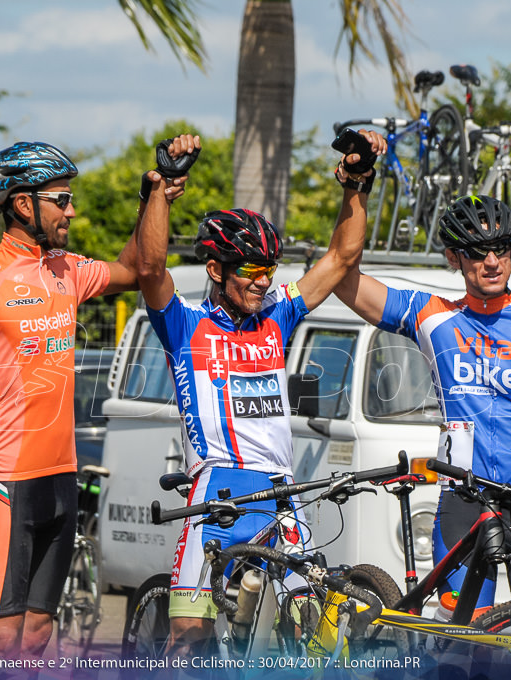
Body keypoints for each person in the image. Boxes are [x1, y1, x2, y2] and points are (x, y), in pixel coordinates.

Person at [135, 131, 386, 655]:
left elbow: (342, 258)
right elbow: (150, 268)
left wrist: (357, 185)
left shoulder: (278, 314)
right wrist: (160, 189)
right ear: (215, 271)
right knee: (189, 635)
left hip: (280, 490)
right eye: (249, 272)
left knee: (309, 628)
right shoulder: (185, 325)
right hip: (216, 490)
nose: (261, 282)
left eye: (268, 272)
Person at [0, 141, 182, 655]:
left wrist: (152, 199)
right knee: (0, 635)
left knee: (37, 633)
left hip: (60, 476)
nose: (71, 210)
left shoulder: (67, 269)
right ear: (24, 205)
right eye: (61, 199)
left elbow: (135, 269)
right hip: (4, 480)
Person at [333, 194, 511, 607]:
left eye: (501, 249)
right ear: (453, 258)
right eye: (477, 253)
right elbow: (342, 276)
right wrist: (357, 187)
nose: (493, 262)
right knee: (465, 644)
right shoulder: (431, 314)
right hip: (465, 498)